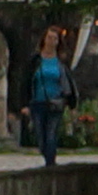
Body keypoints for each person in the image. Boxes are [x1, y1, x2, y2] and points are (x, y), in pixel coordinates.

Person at [27, 27, 74, 168]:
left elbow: (68, 81)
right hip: (38, 102)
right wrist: (24, 104)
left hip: (56, 103)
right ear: (44, 39)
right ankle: (47, 156)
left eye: (55, 38)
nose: (51, 41)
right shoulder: (36, 60)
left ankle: (50, 163)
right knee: (41, 136)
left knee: (51, 134)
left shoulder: (60, 61)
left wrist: (70, 102)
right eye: (49, 38)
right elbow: (26, 81)